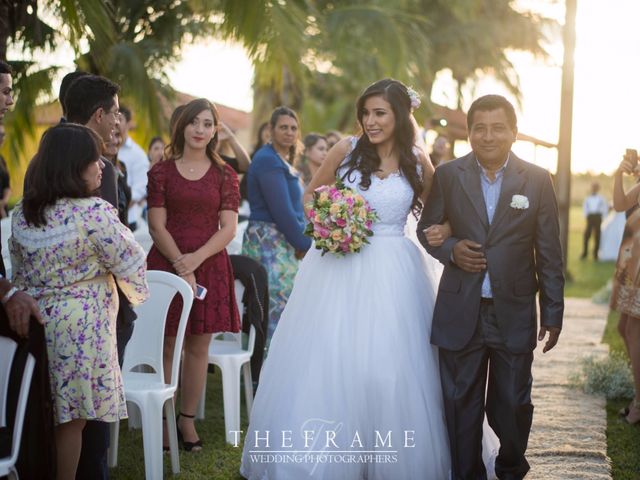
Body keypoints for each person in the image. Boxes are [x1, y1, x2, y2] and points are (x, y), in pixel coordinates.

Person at [240, 78, 487, 479]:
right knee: (330, 357)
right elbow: (309, 195)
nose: (370, 122)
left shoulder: (417, 159)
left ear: (400, 116)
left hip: (395, 270)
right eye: (366, 113)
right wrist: (331, 218)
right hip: (339, 264)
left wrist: (442, 231)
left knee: (390, 364)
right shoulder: (345, 149)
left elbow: (442, 212)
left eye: (380, 113)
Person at [418, 94, 564, 479]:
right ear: (469, 133)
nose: (488, 136)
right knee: (459, 402)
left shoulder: (536, 179)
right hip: (460, 308)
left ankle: (511, 467)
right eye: (479, 128)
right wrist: (451, 249)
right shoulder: (449, 175)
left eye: (498, 127)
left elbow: (549, 250)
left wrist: (552, 311)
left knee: (513, 403)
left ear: (513, 132)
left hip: (512, 311)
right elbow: (426, 229)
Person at [10, 123, 149, 480]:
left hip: (37, 323)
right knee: (72, 421)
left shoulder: (22, 213)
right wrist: (130, 289)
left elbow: (19, 269)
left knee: (45, 413)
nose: (102, 166)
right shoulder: (93, 212)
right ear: (73, 165)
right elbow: (131, 260)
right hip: (82, 327)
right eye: (94, 159)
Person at [146, 98, 241, 451]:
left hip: (210, 265)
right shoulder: (161, 171)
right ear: (182, 126)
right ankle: (164, 421)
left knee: (199, 346)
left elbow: (228, 228)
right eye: (194, 123)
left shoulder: (225, 175)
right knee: (167, 344)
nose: (201, 130)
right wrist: (178, 263)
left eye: (207, 123)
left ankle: (187, 422)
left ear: (215, 130)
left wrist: (194, 261)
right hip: (165, 263)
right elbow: (156, 224)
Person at [242, 106, 311, 344]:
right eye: (283, 127)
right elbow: (281, 211)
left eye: (293, 128)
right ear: (270, 130)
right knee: (277, 307)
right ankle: (268, 370)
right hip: (268, 242)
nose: (289, 132)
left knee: (287, 306)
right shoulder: (267, 161)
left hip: (284, 241)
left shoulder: (281, 160)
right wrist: (305, 243)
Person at [610, 151, 640, 425]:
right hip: (634, 265)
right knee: (624, 328)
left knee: (632, 330)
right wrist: (619, 173)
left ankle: (639, 404)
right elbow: (619, 204)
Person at [118, 105, 149, 231]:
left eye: (120, 119)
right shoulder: (100, 149)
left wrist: (120, 203)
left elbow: (141, 189)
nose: (115, 123)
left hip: (128, 221)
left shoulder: (138, 154)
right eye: (113, 117)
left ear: (129, 124)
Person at [581, 181, 608, 260]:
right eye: (593, 187)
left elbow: (604, 208)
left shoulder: (601, 198)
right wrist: (586, 216)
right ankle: (584, 253)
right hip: (590, 217)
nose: (594, 189)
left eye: (596, 187)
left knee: (597, 236)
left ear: (598, 189)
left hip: (598, 217)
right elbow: (585, 208)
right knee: (586, 235)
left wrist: (603, 217)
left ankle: (595, 254)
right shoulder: (587, 198)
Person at [0, 123, 11, 217]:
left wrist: (3, 202)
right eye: (0, 135)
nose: (2, 138)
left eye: (3, 135)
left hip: (3, 211)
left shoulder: (1, 159)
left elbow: (7, 186)